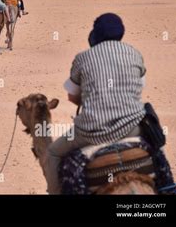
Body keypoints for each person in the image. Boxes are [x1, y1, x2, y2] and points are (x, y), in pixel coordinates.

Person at [45, 13, 147, 194]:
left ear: (94, 34)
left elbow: (72, 97)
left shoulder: (83, 58)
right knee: (156, 146)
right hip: (133, 126)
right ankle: (168, 186)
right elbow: (140, 87)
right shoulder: (134, 54)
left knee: (53, 153)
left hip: (92, 131)